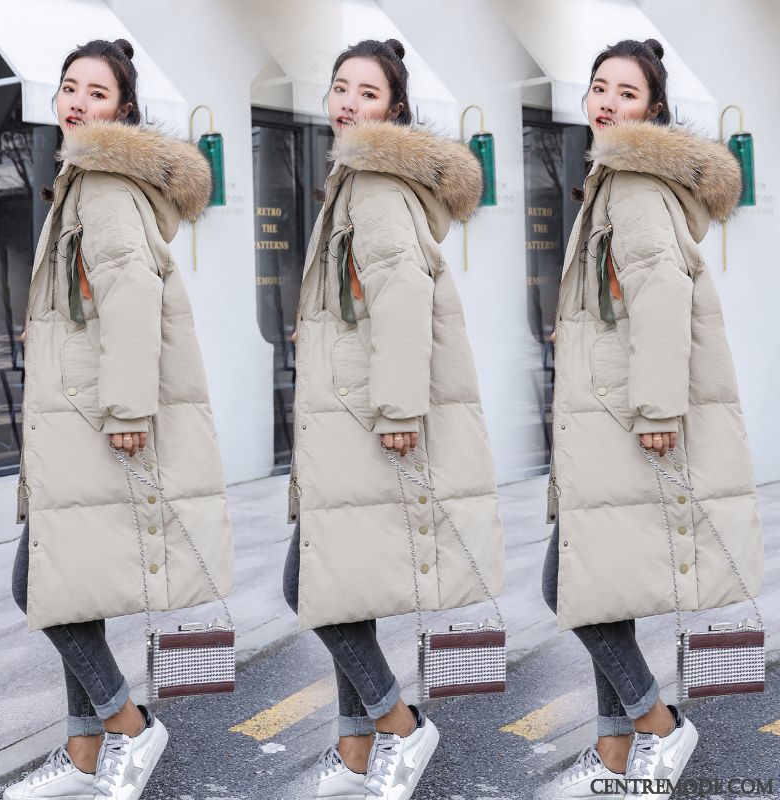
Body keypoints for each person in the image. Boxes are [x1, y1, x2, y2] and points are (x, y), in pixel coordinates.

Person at [5, 38, 233, 800]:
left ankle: (126, 725)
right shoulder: (81, 180)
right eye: (69, 87)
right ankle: (83, 753)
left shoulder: (101, 183)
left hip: (93, 420)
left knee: (37, 581)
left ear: (123, 110)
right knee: (77, 586)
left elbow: (131, 291)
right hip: (76, 413)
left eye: (95, 93)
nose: (76, 102)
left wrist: (128, 407)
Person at [538, 38, 763, 800]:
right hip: (607, 415)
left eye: (626, 93)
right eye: (599, 87)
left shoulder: (632, 183)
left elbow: (661, 290)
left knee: (565, 582)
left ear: (654, 110)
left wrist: (659, 407)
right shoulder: (613, 180)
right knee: (606, 586)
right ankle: (613, 754)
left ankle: (657, 725)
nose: (606, 102)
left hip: (624, 421)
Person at [282, 38, 505, 800]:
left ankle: (397, 726)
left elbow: (403, 292)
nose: (347, 102)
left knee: (308, 583)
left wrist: (400, 408)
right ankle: (355, 753)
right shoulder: (355, 180)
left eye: (367, 93)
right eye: (340, 87)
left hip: (365, 421)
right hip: (350, 414)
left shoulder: (373, 183)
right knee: (349, 586)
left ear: (395, 110)